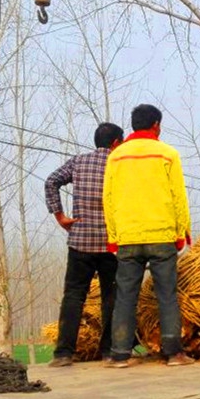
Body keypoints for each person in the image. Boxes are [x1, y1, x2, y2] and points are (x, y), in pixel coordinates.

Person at [102, 104, 194, 368]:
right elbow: (178, 196)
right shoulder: (167, 154)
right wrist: (181, 232)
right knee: (166, 294)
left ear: (133, 125)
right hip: (161, 234)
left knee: (125, 296)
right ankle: (173, 353)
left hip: (128, 237)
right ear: (156, 125)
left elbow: (107, 199)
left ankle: (119, 354)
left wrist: (113, 236)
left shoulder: (116, 157)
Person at [45, 122, 125, 367]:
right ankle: (109, 352)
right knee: (111, 296)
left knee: (74, 296)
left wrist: (60, 216)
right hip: (111, 243)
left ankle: (63, 353)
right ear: (115, 143)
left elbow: (51, 181)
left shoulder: (78, 162)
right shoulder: (119, 165)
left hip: (80, 241)